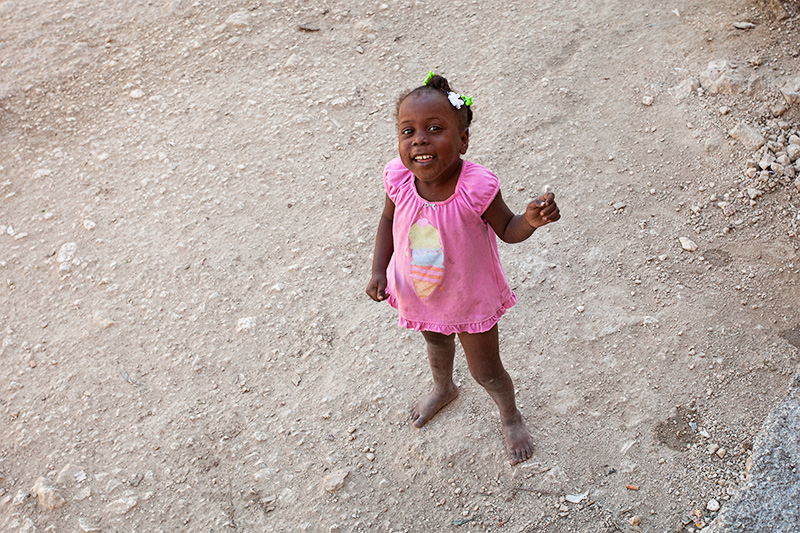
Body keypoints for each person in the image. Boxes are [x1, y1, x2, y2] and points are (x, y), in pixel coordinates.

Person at [366, 72, 560, 465]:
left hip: (470, 298)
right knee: (435, 344)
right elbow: (388, 221)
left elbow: (507, 229)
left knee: (486, 371)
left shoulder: (476, 186)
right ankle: (444, 387)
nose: (419, 139)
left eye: (435, 129)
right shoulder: (399, 178)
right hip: (421, 291)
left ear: (463, 139)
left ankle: (510, 415)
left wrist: (531, 220)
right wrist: (377, 270)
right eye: (408, 131)